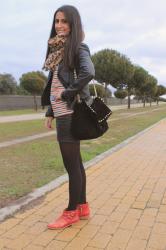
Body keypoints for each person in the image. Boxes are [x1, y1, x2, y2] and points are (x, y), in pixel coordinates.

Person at [41, 5, 95, 229]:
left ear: (73, 24)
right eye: (57, 21)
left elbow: (88, 72)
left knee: (71, 166)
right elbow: (54, 83)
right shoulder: (58, 51)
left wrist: (67, 93)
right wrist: (50, 111)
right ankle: (82, 206)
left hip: (70, 113)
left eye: (64, 21)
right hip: (61, 112)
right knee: (77, 164)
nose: (60, 26)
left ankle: (71, 211)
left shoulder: (77, 48)